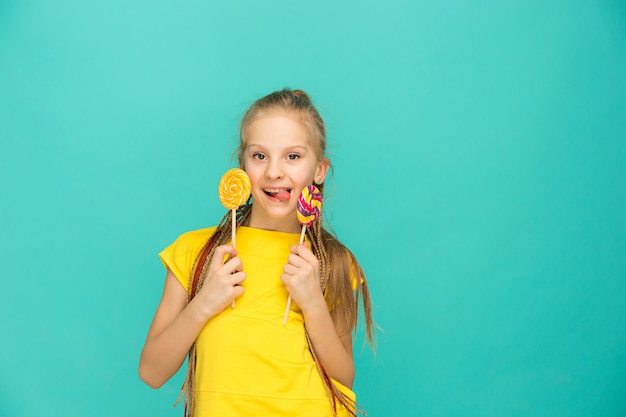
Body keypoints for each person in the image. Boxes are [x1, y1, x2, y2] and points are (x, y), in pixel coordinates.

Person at [139, 88, 375, 417]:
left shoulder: (331, 262)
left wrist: (312, 303)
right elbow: (151, 372)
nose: (273, 172)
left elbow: (343, 377)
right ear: (241, 165)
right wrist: (204, 304)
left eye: (292, 156)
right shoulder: (197, 252)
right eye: (259, 156)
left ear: (319, 170)